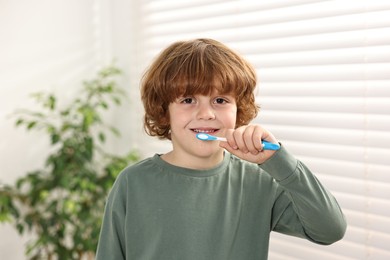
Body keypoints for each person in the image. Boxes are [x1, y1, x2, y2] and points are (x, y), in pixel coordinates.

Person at [96, 38, 347, 260]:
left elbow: (330, 230)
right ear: (164, 112)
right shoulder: (133, 183)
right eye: (188, 100)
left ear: (239, 110)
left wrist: (279, 160)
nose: (206, 114)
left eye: (220, 100)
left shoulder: (259, 181)